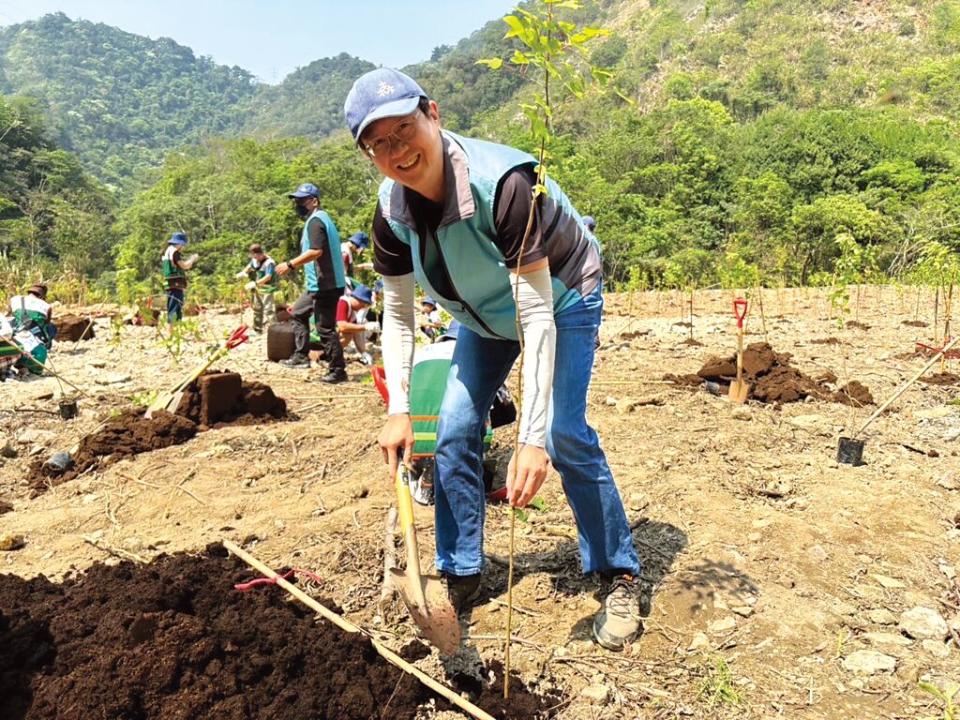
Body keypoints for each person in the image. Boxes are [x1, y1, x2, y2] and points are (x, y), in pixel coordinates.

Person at [344, 68, 643, 650]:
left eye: (404, 128)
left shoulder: (502, 184)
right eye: (378, 142)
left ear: (433, 113)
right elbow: (400, 315)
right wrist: (400, 408)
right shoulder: (391, 213)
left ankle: (618, 571)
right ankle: (460, 572)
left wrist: (530, 439)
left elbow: (535, 316)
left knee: (564, 435)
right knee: (452, 428)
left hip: (560, 296)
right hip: (482, 315)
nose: (397, 150)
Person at [275, 182, 348, 383]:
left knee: (325, 328)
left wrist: (290, 265)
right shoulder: (319, 219)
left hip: (326, 284)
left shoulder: (316, 221)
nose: (298, 204)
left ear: (314, 201)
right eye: (296, 201)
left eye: (301, 201)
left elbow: (316, 251)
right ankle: (301, 356)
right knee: (298, 312)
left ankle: (338, 370)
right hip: (318, 284)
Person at [8, 283, 56, 374]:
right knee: (52, 328)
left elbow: (11, 314)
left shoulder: (14, 299)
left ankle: (19, 364)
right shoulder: (47, 306)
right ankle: (44, 348)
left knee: (13, 322)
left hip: (16, 337)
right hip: (34, 337)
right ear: (42, 296)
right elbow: (47, 322)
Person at [235, 243, 278, 333]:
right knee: (257, 308)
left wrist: (255, 283)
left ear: (260, 254)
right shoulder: (254, 260)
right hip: (258, 287)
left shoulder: (269, 262)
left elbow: (268, 276)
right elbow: (249, 266)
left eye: (256, 256)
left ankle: (275, 330)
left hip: (267, 287)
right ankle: (257, 329)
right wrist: (243, 273)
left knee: (268, 309)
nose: (255, 259)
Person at [161, 232, 197, 332]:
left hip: (170, 284)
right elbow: (185, 266)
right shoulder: (175, 252)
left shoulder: (168, 251)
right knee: (175, 308)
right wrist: (192, 259)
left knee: (173, 307)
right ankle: (171, 333)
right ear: (180, 244)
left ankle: (174, 332)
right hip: (175, 284)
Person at [336, 283, 378, 364]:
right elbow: (342, 326)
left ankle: (334, 354)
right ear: (358, 299)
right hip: (320, 335)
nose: (362, 307)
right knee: (346, 334)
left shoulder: (352, 313)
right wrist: (366, 327)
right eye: (363, 304)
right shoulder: (343, 302)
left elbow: (356, 334)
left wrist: (363, 352)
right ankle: (330, 354)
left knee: (350, 332)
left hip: (332, 335)